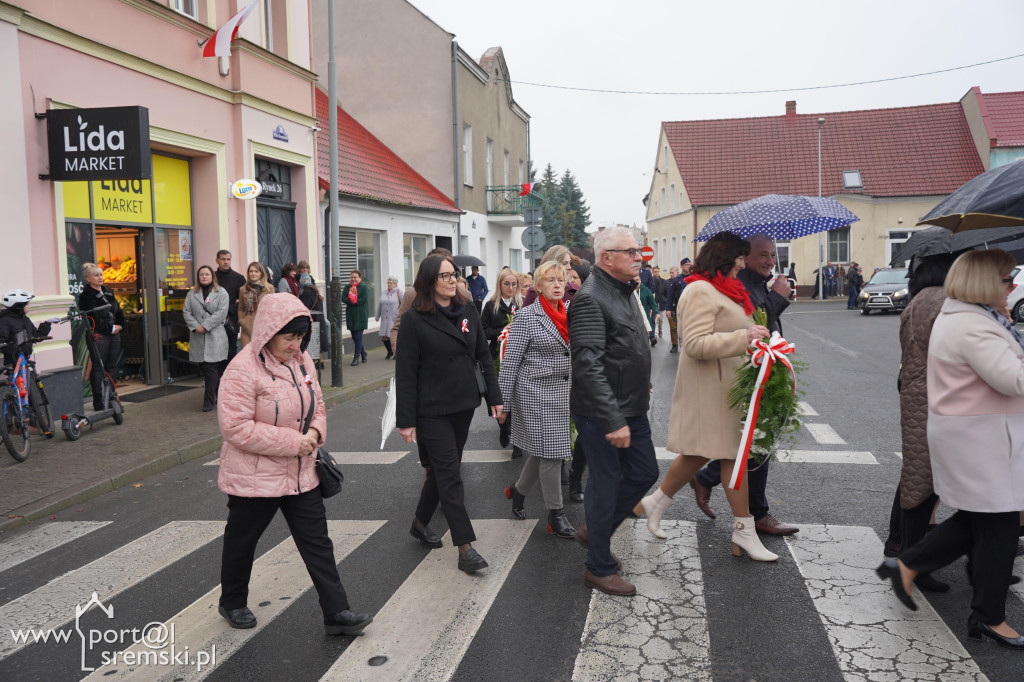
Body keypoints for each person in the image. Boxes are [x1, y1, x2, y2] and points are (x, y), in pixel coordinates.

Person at [877, 249, 1024, 649]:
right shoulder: (971, 325)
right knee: (997, 525)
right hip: (980, 439)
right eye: (1005, 280)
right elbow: (1013, 380)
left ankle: (909, 565)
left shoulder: (974, 317)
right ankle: (987, 616)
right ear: (980, 283)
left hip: (980, 435)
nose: (1011, 287)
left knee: (983, 522)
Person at [217, 292, 371, 635]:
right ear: (269, 331)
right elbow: (235, 428)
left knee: (318, 543)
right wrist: (294, 443)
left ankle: (337, 612)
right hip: (255, 477)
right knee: (242, 541)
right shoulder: (242, 370)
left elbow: (317, 404)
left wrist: (316, 432)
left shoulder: (302, 362)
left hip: (302, 473)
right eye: (289, 337)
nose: (296, 344)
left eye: (301, 337)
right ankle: (232, 601)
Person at [634, 232, 778, 562]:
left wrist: (754, 343)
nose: (743, 264)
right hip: (709, 389)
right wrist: (744, 338)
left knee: (717, 456)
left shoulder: (728, 289)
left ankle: (657, 503)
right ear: (724, 257)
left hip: (727, 388)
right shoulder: (699, 289)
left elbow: (730, 335)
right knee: (726, 456)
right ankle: (743, 533)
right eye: (740, 258)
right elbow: (695, 344)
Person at [396, 254, 503, 572]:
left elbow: (483, 356)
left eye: (453, 274)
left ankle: (419, 523)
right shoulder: (416, 320)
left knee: (445, 468)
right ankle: (465, 547)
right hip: (431, 409)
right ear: (429, 281)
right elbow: (406, 372)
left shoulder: (467, 309)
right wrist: (406, 420)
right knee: (450, 475)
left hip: (462, 404)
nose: (452, 279)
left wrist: (493, 399)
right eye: (444, 276)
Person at [688, 234, 798, 536]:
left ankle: (708, 480)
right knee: (754, 442)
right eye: (763, 255)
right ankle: (755, 514)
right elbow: (751, 325)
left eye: (773, 255)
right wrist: (777, 297)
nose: (770, 261)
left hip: (763, 371)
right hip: (747, 375)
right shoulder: (740, 285)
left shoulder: (756, 283)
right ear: (744, 257)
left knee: (752, 443)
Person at [569, 226, 659, 596]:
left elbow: (628, 346)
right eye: (631, 251)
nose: (639, 257)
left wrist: (641, 381)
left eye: (639, 251)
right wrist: (611, 418)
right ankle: (598, 566)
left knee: (645, 472)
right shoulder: (591, 298)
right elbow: (588, 365)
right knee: (605, 485)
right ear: (606, 258)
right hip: (604, 413)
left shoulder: (624, 290)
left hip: (631, 406)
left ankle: (596, 530)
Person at [882, 253, 958, 593]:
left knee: (917, 479)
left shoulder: (919, 300)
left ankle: (902, 548)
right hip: (934, 399)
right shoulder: (942, 301)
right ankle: (912, 560)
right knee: (923, 486)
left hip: (918, 396)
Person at [499, 261, 575, 538]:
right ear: (539, 285)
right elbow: (510, 363)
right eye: (551, 280)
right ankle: (556, 514)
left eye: (561, 280)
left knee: (545, 450)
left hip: (562, 392)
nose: (557, 285)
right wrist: (503, 404)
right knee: (554, 453)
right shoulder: (527, 316)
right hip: (534, 393)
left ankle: (518, 492)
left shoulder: (569, 312)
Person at [78, 263, 125, 411]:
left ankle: (111, 397)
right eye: (96, 275)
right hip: (99, 335)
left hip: (114, 334)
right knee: (98, 367)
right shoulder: (86, 296)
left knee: (112, 366)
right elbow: (92, 317)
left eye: (101, 274)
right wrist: (109, 328)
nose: (100, 278)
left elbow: (118, 311)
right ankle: (98, 401)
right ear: (88, 278)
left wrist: (120, 325)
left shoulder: (108, 291)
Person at [183, 265, 229, 412]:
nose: (204, 276)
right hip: (198, 336)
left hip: (215, 336)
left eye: (207, 274)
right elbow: (186, 311)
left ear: (212, 276)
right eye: (201, 274)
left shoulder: (221, 292)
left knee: (211, 367)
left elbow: (221, 313)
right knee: (206, 368)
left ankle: (208, 401)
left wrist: (205, 326)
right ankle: (219, 394)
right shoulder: (192, 293)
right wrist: (196, 326)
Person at [0, 290, 53, 366]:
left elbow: (36, 335)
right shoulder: (5, 321)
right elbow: (1, 339)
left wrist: (47, 323)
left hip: (25, 356)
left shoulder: (25, 319)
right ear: (18, 306)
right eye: (27, 304)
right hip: (12, 359)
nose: (29, 307)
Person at [215, 250, 246, 365]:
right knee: (215, 353)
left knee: (230, 352)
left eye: (228, 259)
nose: (226, 262)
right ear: (217, 261)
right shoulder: (211, 277)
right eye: (223, 259)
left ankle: (229, 379)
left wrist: (227, 309)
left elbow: (243, 301)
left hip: (231, 321)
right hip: (213, 321)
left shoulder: (239, 278)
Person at [238, 262, 274, 348]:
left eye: (256, 271)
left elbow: (272, 308)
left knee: (262, 354)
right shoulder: (243, 289)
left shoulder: (269, 288)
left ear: (261, 273)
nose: (253, 274)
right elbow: (241, 308)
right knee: (247, 354)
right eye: (251, 271)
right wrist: (242, 320)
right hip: (247, 326)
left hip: (263, 325)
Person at [665, 258, 692, 353]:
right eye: (686, 264)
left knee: (689, 328)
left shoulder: (694, 277)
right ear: (681, 266)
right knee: (676, 327)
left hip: (691, 307)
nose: (688, 266)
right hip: (679, 307)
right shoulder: (677, 279)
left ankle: (686, 345)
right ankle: (676, 345)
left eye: (689, 264)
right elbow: (671, 295)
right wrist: (668, 309)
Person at [345, 270, 369, 366]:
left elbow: (364, 299)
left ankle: (356, 358)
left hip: (360, 314)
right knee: (354, 336)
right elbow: (343, 298)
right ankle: (363, 353)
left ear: (360, 278)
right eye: (352, 277)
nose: (353, 279)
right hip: (351, 314)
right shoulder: (347, 287)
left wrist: (354, 301)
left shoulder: (364, 287)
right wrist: (351, 301)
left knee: (358, 336)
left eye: (355, 277)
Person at [375, 276, 402, 360]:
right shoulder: (384, 292)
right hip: (385, 318)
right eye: (388, 283)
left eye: (391, 283)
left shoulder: (399, 292)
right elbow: (380, 304)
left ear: (395, 284)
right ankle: (389, 352)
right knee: (384, 337)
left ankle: (396, 353)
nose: (389, 284)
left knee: (393, 336)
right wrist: (377, 316)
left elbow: (404, 304)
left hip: (394, 317)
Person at [636, 275, 657, 347]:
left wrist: (656, 312)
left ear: (640, 280)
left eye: (637, 280)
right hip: (633, 318)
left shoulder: (646, 290)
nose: (636, 281)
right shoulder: (630, 290)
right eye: (634, 280)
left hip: (644, 316)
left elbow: (652, 302)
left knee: (644, 337)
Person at [652, 266, 668, 338]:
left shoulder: (663, 281)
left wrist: (665, 300)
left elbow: (665, 292)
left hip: (661, 303)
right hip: (653, 302)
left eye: (657, 271)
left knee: (661, 319)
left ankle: (660, 330)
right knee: (653, 318)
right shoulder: (651, 280)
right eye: (655, 271)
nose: (656, 273)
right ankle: (654, 333)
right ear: (652, 272)